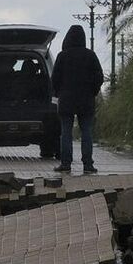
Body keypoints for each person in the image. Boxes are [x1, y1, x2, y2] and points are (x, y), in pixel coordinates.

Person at [50, 22, 104, 173]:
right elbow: (99, 76)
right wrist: (93, 91)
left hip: (66, 99)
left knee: (66, 132)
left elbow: (54, 78)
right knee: (87, 132)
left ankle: (65, 163)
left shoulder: (62, 56)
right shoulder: (90, 55)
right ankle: (88, 164)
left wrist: (59, 92)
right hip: (86, 100)